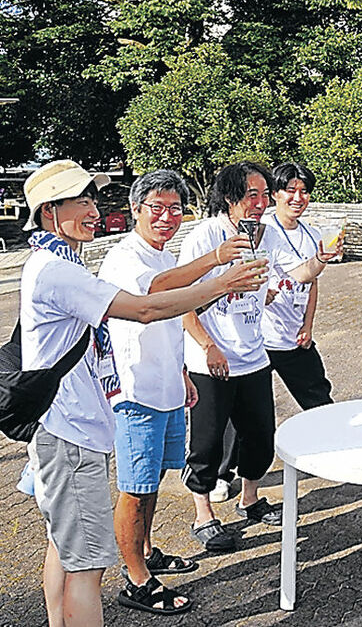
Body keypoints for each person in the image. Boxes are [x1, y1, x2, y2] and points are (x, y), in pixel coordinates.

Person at [20, 160, 266, 626]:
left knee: (66, 546)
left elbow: (163, 301)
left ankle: (135, 564)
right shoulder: (60, 271)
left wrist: (183, 362)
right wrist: (221, 276)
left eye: (94, 199)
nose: (94, 210)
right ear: (50, 212)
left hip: (83, 420)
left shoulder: (62, 262)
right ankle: (134, 580)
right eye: (82, 201)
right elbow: (149, 306)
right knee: (88, 564)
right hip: (75, 429)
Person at [98, 170, 254, 614]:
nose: (167, 217)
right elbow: (155, 295)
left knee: (153, 481)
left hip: (166, 385)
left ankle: (146, 552)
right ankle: (136, 580)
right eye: (157, 208)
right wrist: (215, 261)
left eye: (175, 209)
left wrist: (184, 370)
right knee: (133, 487)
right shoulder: (125, 256)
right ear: (135, 210)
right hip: (135, 392)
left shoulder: (165, 256)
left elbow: (178, 309)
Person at [179, 161, 341, 551]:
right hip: (212, 358)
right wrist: (207, 345)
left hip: (253, 354)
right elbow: (181, 298)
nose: (261, 202)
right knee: (208, 442)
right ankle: (203, 515)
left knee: (259, 437)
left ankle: (249, 500)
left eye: (265, 195)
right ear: (231, 197)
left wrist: (319, 260)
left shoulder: (263, 236)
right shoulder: (205, 236)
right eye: (253, 195)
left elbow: (293, 279)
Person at [261, 162, 334, 409]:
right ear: (275, 194)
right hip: (259, 340)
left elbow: (311, 283)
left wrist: (307, 326)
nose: (298, 198)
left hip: (294, 337)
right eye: (290, 190)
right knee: (249, 416)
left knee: (320, 402)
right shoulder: (261, 230)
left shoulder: (312, 234)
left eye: (304, 191)